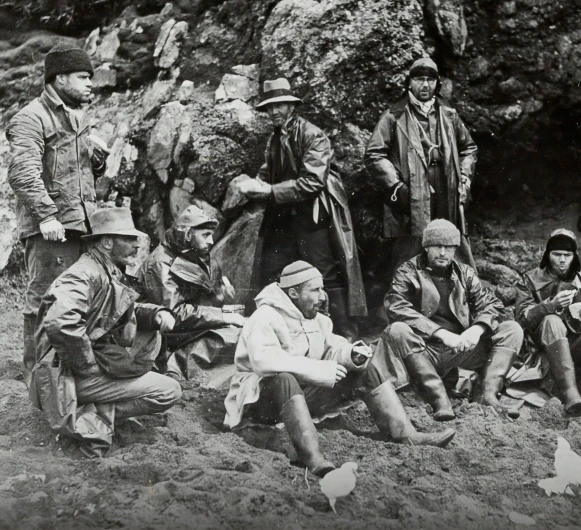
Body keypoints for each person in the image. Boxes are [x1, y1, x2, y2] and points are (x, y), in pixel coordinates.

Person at [224, 261, 455, 477]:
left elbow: (331, 346)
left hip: (300, 398)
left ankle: (407, 434)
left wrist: (350, 354)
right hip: (258, 404)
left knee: (365, 369)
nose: (323, 296)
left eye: (322, 289)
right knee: (283, 378)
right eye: (314, 290)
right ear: (293, 293)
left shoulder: (314, 317)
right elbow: (265, 361)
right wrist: (321, 369)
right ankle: (313, 459)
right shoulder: (265, 317)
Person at [29, 208, 182, 457]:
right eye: (129, 239)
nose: (136, 245)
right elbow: (61, 322)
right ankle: (93, 412)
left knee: (152, 334)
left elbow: (119, 307)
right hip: (64, 376)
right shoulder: (84, 274)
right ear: (107, 242)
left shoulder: (104, 269)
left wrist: (155, 314)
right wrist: (88, 366)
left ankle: (96, 407)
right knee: (169, 391)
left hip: (75, 366)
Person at [237, 77, 367, 340]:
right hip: (284, 218)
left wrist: (269, 190)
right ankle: (280, 333)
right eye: (270, 107)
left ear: (291, 106)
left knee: (325, 275)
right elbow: (268, 171)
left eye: (280, 106)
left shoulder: (312, 134)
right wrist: (254, 181)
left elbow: (312, 182)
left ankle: (344, 335)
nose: (274, 112)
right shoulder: (274, 139)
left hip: (313, 216)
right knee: (273, 271)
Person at [6, 43, 107, 374]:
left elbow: (71, 171)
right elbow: (23, 172)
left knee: (78, 300)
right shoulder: (30, 118)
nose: (90, 83)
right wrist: (46, 215)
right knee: (45, 302)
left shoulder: (77, 116)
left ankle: (69, 377)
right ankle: (39, 381)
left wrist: (97, 161)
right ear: (59, 78)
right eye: (83, 77)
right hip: (51, 228)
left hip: (81, 226)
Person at [368, 219, 523, 420]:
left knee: (512, 329)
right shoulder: (407, 271)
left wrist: (476, 330)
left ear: (455, 249)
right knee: (397, 329)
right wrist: (440, 333)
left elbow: (491, 305)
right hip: (423, 351)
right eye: (437, 246)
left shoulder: (465, 273)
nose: (443, 253)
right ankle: (439, 399)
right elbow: (396, 306)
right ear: (426, 247)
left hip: (459, 350)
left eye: (448, 247)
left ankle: (487, 394)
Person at [364, 57, 478, 270]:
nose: (425, 85)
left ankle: (461, 298)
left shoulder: (448, 114)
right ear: (409, 83)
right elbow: (374, 154)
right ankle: (407, 299)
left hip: (447, 191)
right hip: (412, 196)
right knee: (411, 252)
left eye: (430, 80)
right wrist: (397, 187)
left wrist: (463, 180)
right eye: (419, 79)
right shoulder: (393, 116)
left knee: (453, 244)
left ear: (437, 83)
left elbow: (469, 149)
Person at [515, 228, 581, 415]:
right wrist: (550, 305)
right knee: (552, 321)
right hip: (544, 349)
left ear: (575, 256)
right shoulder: (530, 279)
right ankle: (571, 395)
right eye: (556, 254)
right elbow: (521, 320)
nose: (562, 260)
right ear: (547, 254)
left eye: (567, 255)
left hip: (579, 346)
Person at [138, 205, 245, 378]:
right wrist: (222, 316)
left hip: (187, 325)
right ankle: (176, 371)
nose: (211, 241)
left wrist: (219, 296)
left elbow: (195, 300)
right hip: (161, 337)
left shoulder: (192, 253)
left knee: (244, 327)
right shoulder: (160, 263)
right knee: (233, 335)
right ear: (187, 234)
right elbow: (172, 314)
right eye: (205, 235)